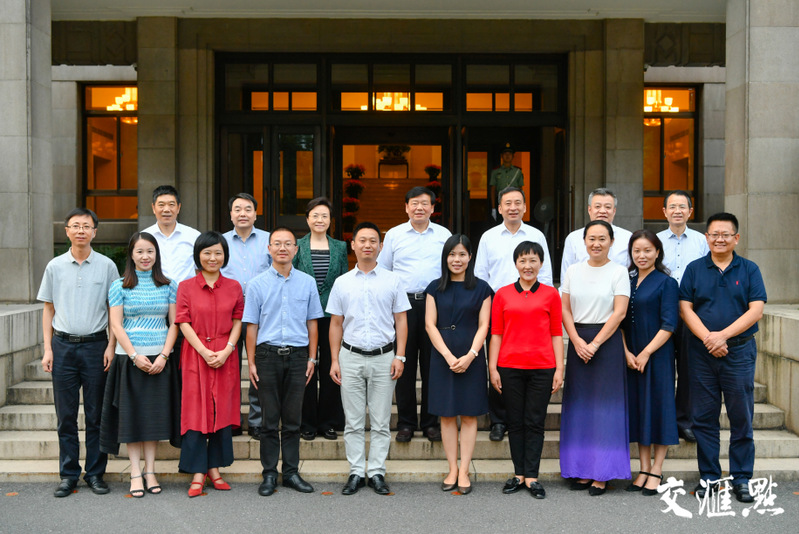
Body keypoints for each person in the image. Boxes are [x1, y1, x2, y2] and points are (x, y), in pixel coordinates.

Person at [679, 212, 766, 503]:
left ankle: (741, 478)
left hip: (739, 352)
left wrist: (722, 336)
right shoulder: (694, 269)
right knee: (704, 418)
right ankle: (710, 477)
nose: (719, 239)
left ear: (735, 238)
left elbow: (756, 310)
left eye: (725, 234)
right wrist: (710, 339)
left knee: (741, 417)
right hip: (701, 353)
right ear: (707, 237)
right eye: (714, 234)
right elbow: (685, 308)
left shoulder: (749, 269)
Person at [38, 208, 119, 498]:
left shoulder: (108, 266)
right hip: (63, 347)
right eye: (75, 226)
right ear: (67, 231)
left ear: (95, 231)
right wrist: (48, 349)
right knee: (66, 416)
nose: (81, 230)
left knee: (96, 415)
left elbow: (114, 310)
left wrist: (111, 345)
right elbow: (48, 309)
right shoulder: (55, 266)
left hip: (96, 346)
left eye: (86, 226)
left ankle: (95, 473)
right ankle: (68, 474)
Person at [328, 222, 411, 496]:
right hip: (350, 356)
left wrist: (400, 355)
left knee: (380, 420)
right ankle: (355, 471)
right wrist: (334, 360)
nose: (367, 245)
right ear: (352, 245)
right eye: (362, 240)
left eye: (373, 241)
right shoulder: (342, 282)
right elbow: (336, 324)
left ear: (380, 246)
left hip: (384, 357)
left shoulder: (393, 280)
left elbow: (401, 320)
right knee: (352, 421)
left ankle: (376, 472)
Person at [244, 227, 324, 496]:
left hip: (299, 356)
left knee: (292, 419)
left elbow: (312, 323)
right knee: (268, 420)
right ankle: (269, 473)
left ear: (296, 250)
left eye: (288, 244)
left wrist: (312, 357)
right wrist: (251, 362)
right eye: (277, 243)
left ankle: (290, 472)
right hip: (267, 356)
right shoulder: (256, 284)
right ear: (269, 249)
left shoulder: (307, 282)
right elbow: (252, 326)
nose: (282, 248)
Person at [100, 232, 180, 497]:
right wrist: (134, 355)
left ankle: (150, 471)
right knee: (132, 418)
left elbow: (174, 323)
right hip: (129, 360)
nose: (145, 257)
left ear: (156, 254)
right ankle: (135, 473)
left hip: (160, 360)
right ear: (131, 255)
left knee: (152, 419)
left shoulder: (169, 285)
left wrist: (164, 356)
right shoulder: (118, 285)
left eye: (150, 251)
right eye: (140, 252)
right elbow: (116, 325)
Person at [474, 186, 553, 441]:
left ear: (525, 207)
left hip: (532, 307)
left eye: (518, 203)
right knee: (498, 362)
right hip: (499, 305)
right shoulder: (488, 237)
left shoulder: (536, 235)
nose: (513, 207)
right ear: (499, 208)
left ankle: (525, 417)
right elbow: (480, 275)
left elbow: (546, 274)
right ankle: (498, 420)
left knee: (526, 362)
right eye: (507, 203)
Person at [559, 220, 631, 496]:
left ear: (611, 242)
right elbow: (565, 310)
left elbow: (619, 312)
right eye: (591, 238)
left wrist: (595, 343)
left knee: (605, 411)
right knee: (579, 407)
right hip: (578, 342)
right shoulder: (573, 271)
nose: (596, 244)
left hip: (607, 344)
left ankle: (602, 472)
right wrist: (576, 341)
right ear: (584, 242)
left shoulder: (619, 271)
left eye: (602, 238)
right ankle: (580, 469)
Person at [489, 241, 563, 500]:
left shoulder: (551, 294)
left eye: (533, 260)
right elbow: (496, 334)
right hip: (509, 367)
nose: (528, 266)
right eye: (522, 260)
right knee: (515, 422)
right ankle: (518, 473)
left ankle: (532, 476)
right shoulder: (502, 294)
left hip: (542, 367)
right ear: (516, 264)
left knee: (535, 422)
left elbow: (556, 333)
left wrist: (559, 368)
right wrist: (492, 367)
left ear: (541, 263)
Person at [380, 186, 451, 443]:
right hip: (403, 307)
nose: (419, 208)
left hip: (435, 304)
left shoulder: (443, 235)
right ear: (406, 207)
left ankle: (431, 423)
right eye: (414, 203)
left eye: (424, 203)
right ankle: (406, 423)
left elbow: (451, 268)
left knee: (433, 366)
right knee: (404, 365)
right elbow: (384, 270)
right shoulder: (395, 235)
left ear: (432, 207)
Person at [175, 231, 244, 497]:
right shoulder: (186, 287)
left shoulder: (234, 287)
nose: (212, 258)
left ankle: (214, 468)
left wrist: (228, 350)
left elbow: (238, 320)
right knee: (196, 411)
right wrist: (204, 351)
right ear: (198, 256)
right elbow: (183, 321)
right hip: (196, 354)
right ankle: (197, 472)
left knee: (221, 410)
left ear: (225, 256)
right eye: (207, 253)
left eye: (218, 253)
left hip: (226, 354)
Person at [425, 234, 493, 494]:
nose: (457, 259)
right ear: (446, 258)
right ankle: (452, 468)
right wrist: (448, 356)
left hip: (471, 357)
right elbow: (430, 325)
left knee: (469, 414)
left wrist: (471, 355)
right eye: (452, 254)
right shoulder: (434, 288)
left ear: (470, 257)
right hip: (442, 357)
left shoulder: (482, 288)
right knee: (446, 414)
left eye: (462, 254)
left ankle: (464, 470)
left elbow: (484, 325)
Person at [621, 230, 679, 496]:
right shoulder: (627, 281)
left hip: (658, 356)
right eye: (636, 251)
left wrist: (646, 353)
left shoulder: (667, 283)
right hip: (631, 357)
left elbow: (669, 324)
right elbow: (619, 322)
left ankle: (657, 469)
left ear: (657, 252)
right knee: (639, 409)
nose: (641, 255)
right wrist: (626, 352)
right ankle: (643, 468)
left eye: (647, 250)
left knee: (659, 408)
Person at [293, 198, 349, 441]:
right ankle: (307, 422)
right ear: (307, 219)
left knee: (330, 367)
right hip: (302, 315)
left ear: (330, 220)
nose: (319, 220)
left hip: (332, 315)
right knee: (305, 367)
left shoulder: (340, 247)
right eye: (315, 215)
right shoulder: (297, 245)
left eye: (324, 216)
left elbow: (344, 281)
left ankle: (328, 422)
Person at [657, 190, 709, 443]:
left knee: (689, 369)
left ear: (690, 211)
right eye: (672, 206)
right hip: (660, 312)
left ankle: (685, 421)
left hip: (692, 312)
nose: (677, 211)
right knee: (662, 368)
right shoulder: (655, 241)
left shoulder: (702, 241)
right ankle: (663, 419)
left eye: (682, 207)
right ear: (664, 211)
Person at [221, 192, 272, 441]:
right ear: (230, 214)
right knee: (227, 369)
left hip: (261, 314)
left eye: (248, 209)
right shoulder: (220, 242)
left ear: (255, 214)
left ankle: (257, 421)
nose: (243, 213)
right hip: (227, 313)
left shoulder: (269, 240)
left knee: (258, 368)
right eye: (238, 209)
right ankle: (230, 420)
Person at [560, 188, 632, 277]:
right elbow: (566, 275)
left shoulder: (627, 237)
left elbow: (632, 273)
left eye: (608, 207)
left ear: (614, 211)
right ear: (589, 210)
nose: (602, 211)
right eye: (597, 206)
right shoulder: (573, 238)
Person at [142, 185, 201, 283]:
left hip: (186, 292)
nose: (166, 209)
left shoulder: (194, 236)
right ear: (153, 208)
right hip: (154, 291)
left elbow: (200, 269)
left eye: (171, 204)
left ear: (178, 207)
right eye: (161, 205)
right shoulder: (144, 237)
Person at [488, 143, 524, 220]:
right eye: (505, 154)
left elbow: (520, 190)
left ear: (513, 156)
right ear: (502, 156)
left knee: (513, 222)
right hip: (500, 201)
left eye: (509, 154)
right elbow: (493, 190)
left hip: (514, 202)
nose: (507, 156)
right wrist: (493, 208)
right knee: (500, 223)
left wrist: (521, 204)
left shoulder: (518, 171)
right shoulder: (495, 172)